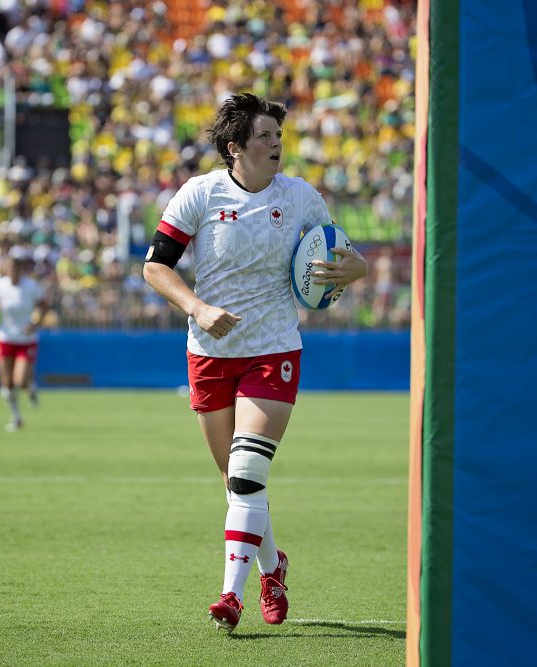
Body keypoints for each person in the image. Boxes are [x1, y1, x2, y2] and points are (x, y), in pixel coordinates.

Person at [142, 93, 368, 632]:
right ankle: (273, 567)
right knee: (238, 483)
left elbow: (343, 252)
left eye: (278, 136)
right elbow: (155, 267)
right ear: (233, 147)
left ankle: (230, 596)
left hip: (273, 350)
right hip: (210, 352)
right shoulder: (199, 193)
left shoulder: (300, 197)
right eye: (264, 136)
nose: (276, 145)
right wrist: (197, 306)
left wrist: (355, 268)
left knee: (247, 471)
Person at [0, 246, 49, 432]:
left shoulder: (31, 286)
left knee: (20, 381)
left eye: (15, 269)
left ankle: (31, 386)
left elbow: (44, 306)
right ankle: (16, 418)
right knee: (7, 383)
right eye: (9, 269)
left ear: (20, 270)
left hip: (26, 338)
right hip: (4, 337)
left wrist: (35, 324)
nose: (12, 273)